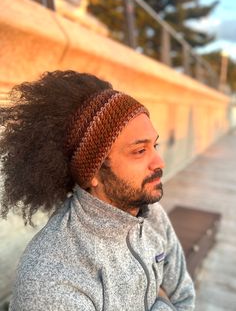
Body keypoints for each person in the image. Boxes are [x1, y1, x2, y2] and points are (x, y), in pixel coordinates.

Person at [0, 71, 195, 311]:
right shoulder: (53, 279)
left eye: (154, 145)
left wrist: (161, 300)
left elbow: (185, 298)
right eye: (139, 151)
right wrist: (163, 301)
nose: (159, 162)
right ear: (93, 172)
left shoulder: (150, 213)